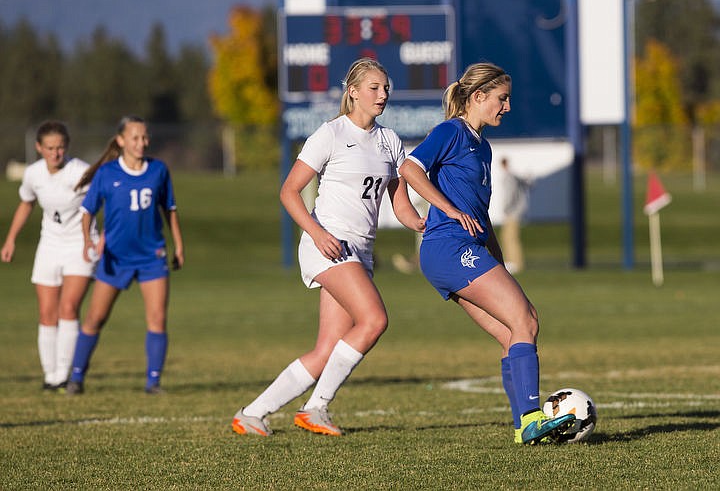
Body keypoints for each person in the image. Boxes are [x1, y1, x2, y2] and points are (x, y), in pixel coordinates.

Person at [231, 58, 425, 437]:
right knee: (374, 320)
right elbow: (288, 192)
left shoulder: (390, 140)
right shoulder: (330, 134)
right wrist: (317, 233)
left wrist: (420, 223)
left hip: (360, 252)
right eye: (374, 87)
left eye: (386, 88)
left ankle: (251, 414)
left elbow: (399, 202)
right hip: (329, 244)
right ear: (352, 92)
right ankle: (316, 407)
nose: (383, 94)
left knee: (325, 351)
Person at [398, 62, 575, 445]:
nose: (507, 107)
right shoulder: (451, 131)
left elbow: (480, 215)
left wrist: (495, 257)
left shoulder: (483, 147)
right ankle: (530, 417)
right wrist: (447, 209)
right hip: (449, 248)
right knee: (526, 318)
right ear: (477, 97)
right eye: (502, 98)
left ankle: (523, 428)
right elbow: (410, 168)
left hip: (466, 250)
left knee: (513, 332)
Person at [65, 115, 184, 395]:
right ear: (121, 141)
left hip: (151, 257)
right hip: (115, 258)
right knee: (95, 318)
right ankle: (76, 377)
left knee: (157, 318)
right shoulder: (107, 173)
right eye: (135, 138)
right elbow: (87, 211)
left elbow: (170, 209)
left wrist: (178, 245)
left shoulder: (158, 170)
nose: (141, 143)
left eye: (144, 137)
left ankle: (153, 382)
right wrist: (87, 241)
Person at [1, 121, 97, 391]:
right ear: (39, 148)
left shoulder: (80, 172)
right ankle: (49, 375)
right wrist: (10, 239)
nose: (56, 154)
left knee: (68, 308)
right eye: (50, 148)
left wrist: (94, 239)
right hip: (50, 245)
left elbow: (102, 202)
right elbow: (26, 204)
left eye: (61, 148)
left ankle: (64, 375)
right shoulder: (33, 174)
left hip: (80, 244)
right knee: (46, 313)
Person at [498, 157, 531, 274]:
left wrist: (506, 208)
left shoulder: (509, 177)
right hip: (515, 211)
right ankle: (511, 261)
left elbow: (510, 194)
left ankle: (516, 263)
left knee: (511, 238)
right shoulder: (513, 176)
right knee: (507, 237)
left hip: (512, 211)